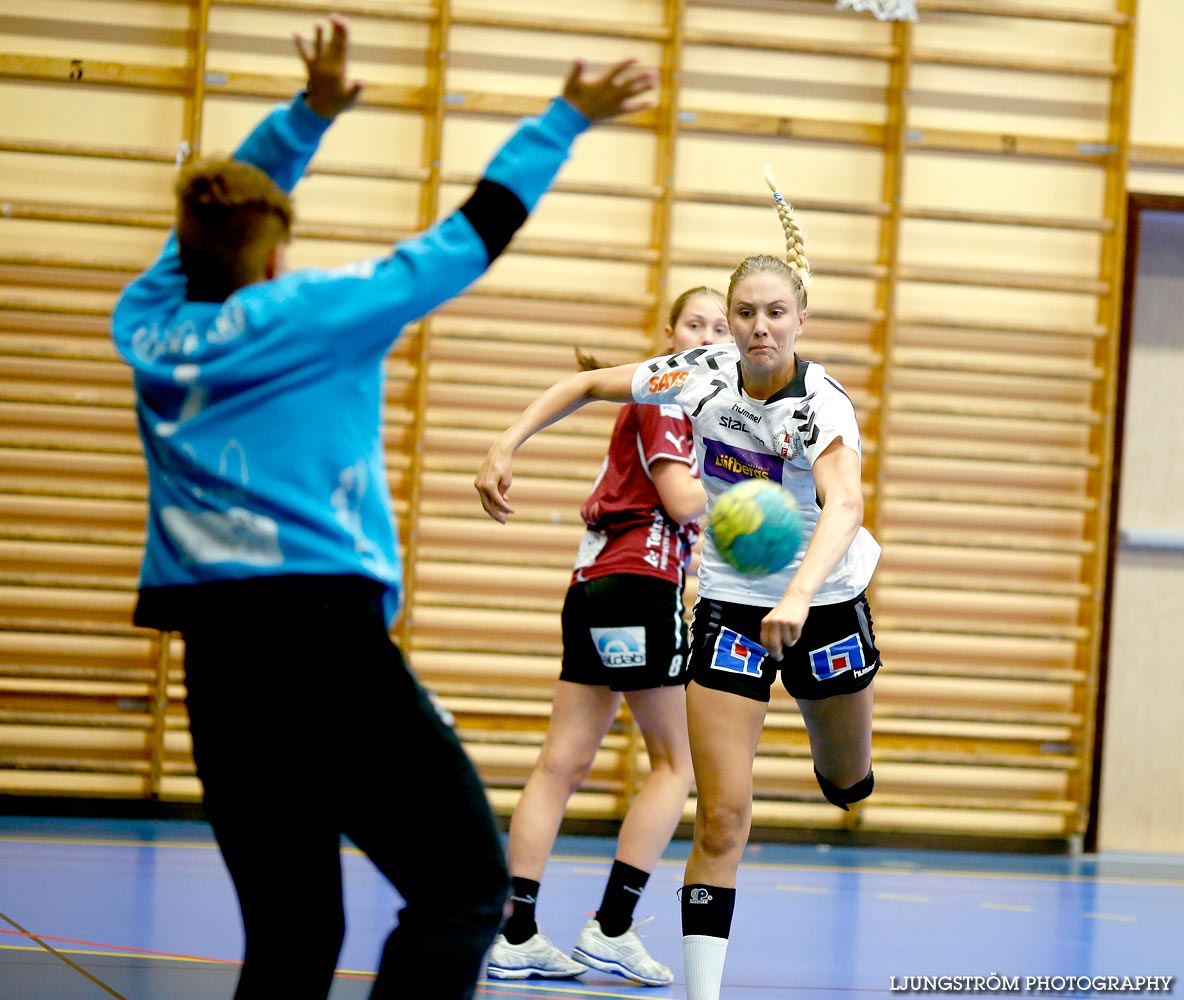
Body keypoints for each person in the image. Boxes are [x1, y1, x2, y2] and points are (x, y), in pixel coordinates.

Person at [110, 16, 655, 1000]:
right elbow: (468, 235)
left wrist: (302, 120)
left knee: (291, 933)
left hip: (219, 668)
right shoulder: (314, 311)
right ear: (274, 253)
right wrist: (561, 120)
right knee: (462, 890)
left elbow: (205, 230)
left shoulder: (146, 325)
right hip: (325, 647)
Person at [475, 177, 881, 1000]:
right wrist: (505, 443)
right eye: (745, 312)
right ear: (728, 321)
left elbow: (846, 504)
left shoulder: (821, 405)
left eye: (775, 312)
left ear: (801, 319)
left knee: (847, 784)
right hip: (731, 606)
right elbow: (586, 386)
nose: (759, 326)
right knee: (723, 813)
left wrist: (799, 596)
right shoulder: (700, 374)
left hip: (825, 606)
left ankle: (836, 758)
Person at [484, 288, 731, 986]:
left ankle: (517, 932)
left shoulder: (685, 399)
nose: (709, 336)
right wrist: (762, 506)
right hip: (637, 582)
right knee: (676, 765)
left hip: (591, 583)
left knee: (561, 762)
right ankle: (613, 927)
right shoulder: (670, 394)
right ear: (670, 334)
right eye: (696, 324)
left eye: (721, 326)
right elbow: (684, 500)